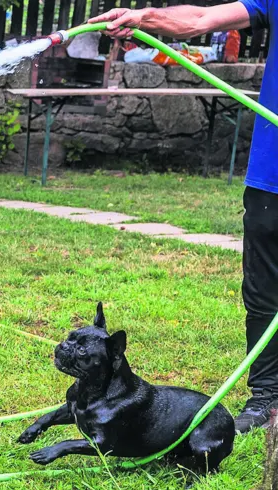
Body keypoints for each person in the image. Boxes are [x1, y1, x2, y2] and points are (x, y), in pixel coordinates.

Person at [89, 2, 276, 433]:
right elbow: (199, 21)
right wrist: (144, 18)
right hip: (272, 173)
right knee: (264, 292)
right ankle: (267, 397)